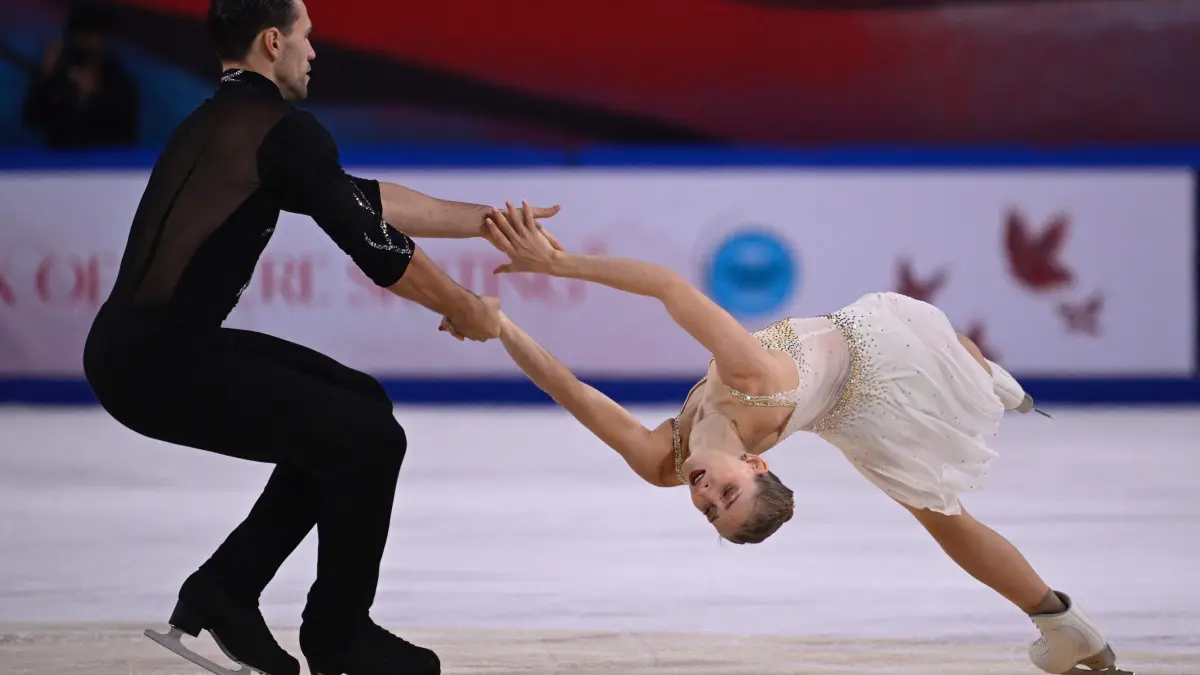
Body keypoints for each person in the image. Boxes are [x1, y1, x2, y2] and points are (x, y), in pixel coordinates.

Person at [442, 202, 1134, 675]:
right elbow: (666, 285)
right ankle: (1061, 614)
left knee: (938, 506)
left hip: (852, 382)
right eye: (729, 493)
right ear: (754, 460)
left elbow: (575, 392)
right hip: (874, 360)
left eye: (709, 507)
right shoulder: (752, 375)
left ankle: (1062, 620)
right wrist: (554, 264)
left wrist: (501, 326)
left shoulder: (666, 460)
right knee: (942, 473)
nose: (705, 492)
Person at [81, 2, 559, 674]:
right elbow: (378, 249)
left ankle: (226, 589)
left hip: (141, 350)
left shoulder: (223, 121)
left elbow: (359, 200)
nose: (315, 53)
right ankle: (339, 634)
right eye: (307, 38)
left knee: (354, 404)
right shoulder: (282, 130)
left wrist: (487, 222)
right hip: (158, 361)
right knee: (368, 438)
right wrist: (464, 306)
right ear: (273, 41)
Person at [22, 1, 139, 148]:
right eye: (80, 34)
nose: (87, 43)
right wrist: (45, 77)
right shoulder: (56, 76)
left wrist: (93, 97)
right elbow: (32, 118)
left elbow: (126, 137)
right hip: (57, 164)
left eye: (94, 35)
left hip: (103, 166)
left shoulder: (120, 83)